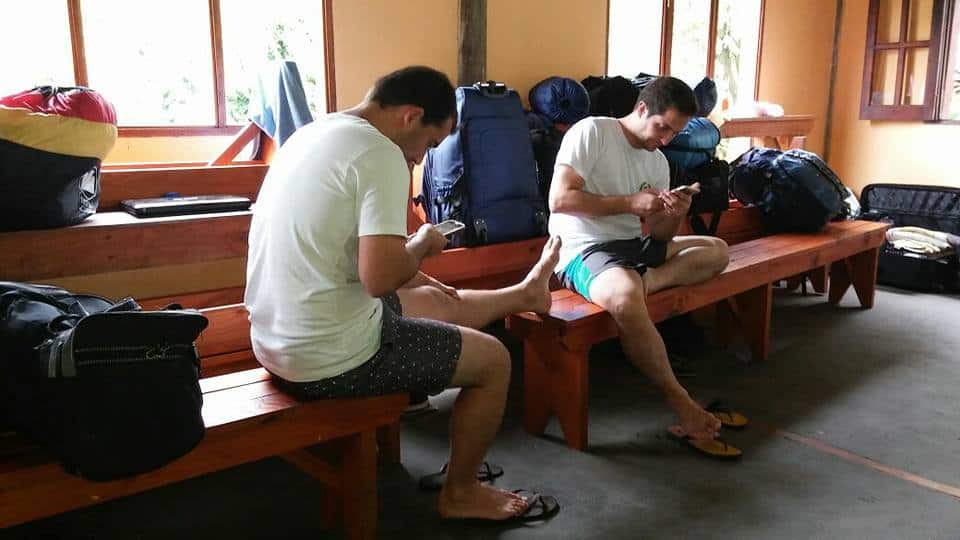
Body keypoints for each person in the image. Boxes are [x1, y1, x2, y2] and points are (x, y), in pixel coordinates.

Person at [245, 66, 560, 521]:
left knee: (429, 299)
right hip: (327, 360)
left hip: (273, 341)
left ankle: (526, 294)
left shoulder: (311, 135)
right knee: (494, 361)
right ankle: (461, 492)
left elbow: (359, 259)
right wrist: (423, 244)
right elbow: (379, 278)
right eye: (430, 144)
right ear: (410, 116)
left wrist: (413, 267)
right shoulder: (381, 153)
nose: (420, 158)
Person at [547, 76, 730, 442]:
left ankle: (649, 279)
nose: (666, 140)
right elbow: (560, 200)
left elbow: (659, 235)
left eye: (675, 133)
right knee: (625, 295)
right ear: (642, 109)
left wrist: (675, 212)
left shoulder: (658, 161)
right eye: (663, 127)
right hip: (583, 248)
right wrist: (630, 203)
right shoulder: (593, 132)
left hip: (632, 246)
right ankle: (681, 401)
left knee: (717, 250)